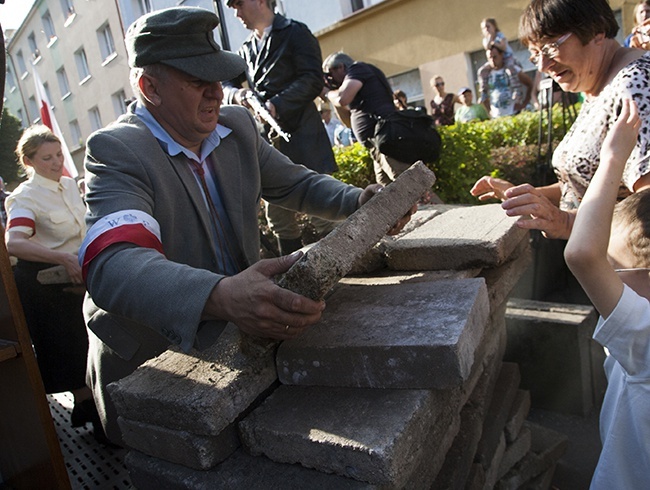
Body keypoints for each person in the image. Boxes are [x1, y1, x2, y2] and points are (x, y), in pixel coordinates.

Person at [80, 7, 410, 446]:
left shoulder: (235, 127)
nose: (217, 94)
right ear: (149, 88)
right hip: (150, 355)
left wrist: (360, 202)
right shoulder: (117, 151)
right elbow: (114, 263)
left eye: (219, 79)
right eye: (199, 82)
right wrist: (218, 295)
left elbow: (297, 184)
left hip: (229, 340)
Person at [470, 0, 650, 240]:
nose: (543, 66)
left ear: (597, 31)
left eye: (551, 47)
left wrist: (566, 222)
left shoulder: (636, 85)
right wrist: (532, 198)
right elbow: (588, 186)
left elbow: (645, 211)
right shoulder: (598, 84)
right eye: (535, 56)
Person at [564, 98, 650, 490]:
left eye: (613, 269)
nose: (606, 280)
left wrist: (612, 159)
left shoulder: (645, 336)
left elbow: (583, 253)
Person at [4, 125, 106, 442]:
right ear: (29, 161)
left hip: (80, 277)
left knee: (94, 344)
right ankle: (91, 413)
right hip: (48, 286)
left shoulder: (68, 185)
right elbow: (14, 243)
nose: (56, 161)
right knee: (72, 350)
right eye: (46, 157)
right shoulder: (25, 197)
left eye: (58, 154)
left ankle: (95, 408)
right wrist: (61, 259)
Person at [223, 0, 337, 255]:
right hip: (269, 142)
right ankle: (293, 275)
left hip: (302, 134)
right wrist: (239, 96)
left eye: (239, 4)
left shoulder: (296, 33)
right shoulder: (246, 49)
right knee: (278, 215)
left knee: (322, 209)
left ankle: (353, 265)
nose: (236, 13)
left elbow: (311, 79)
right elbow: (225, 84)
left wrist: (276, 105)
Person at [478, 44, 533, 118]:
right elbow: (484, 94)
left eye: (495, 57)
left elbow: (530, 84)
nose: (492, 60)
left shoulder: (512, 70)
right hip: (496, 115)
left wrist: (524, 104)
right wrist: (489, 110)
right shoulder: (486, 74)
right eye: (490, 58)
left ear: (501, 55)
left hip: (513, 112)